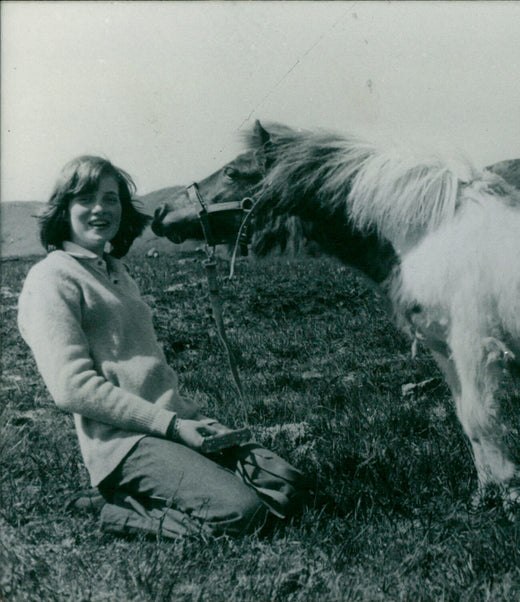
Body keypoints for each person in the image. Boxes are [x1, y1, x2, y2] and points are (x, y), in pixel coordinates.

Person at [17, 156, 306, 539]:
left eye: (111, 198)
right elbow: (72, 388)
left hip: (175, 425)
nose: (101, 209)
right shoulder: (51, 277)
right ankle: (115, 511)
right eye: (86, 198)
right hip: (124, 444)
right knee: (241, 514)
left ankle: (166, 486)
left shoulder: (115, 271)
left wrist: (188, 420)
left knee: (288, 486)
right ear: (64, 208)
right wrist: (171, 426)